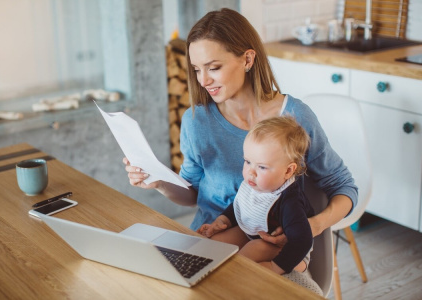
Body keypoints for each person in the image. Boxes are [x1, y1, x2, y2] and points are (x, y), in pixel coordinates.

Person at [123, 8, 357, 250]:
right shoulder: (196, 121)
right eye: (196, 69)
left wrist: (314, 225)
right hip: (207, 239)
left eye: (213, 67)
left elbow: (343, 186)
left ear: (247, 59)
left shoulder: (296, 117)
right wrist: (159, 182)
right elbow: (192, 195)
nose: (203, 81)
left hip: (268, 250)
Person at [198, 116, 313, 277]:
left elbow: (302, 241)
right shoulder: (256, 182)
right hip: (253, 235)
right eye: (247, 162)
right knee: (216, 242)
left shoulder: (289, 201)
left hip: (291, 252)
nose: (251, 172)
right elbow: (241, 204)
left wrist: (275, 267)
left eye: (262, 167)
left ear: (288, 171)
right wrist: (223, 220)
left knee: (251, 251)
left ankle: (229, 280)